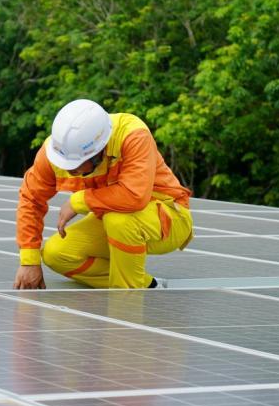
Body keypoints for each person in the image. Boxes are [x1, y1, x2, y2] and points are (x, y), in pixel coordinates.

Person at [13, 99, 194, 290]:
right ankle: (148, 286)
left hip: (170, 218)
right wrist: (29, 261)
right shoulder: (56, 151)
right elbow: (30, 199)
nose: (68, 169)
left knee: (118, 220)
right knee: (56, 253)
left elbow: (135, 196)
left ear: (98, 152)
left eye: (75, 164)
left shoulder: (132, 135)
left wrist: (78, 201)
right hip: (113, 220)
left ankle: (126, 299)